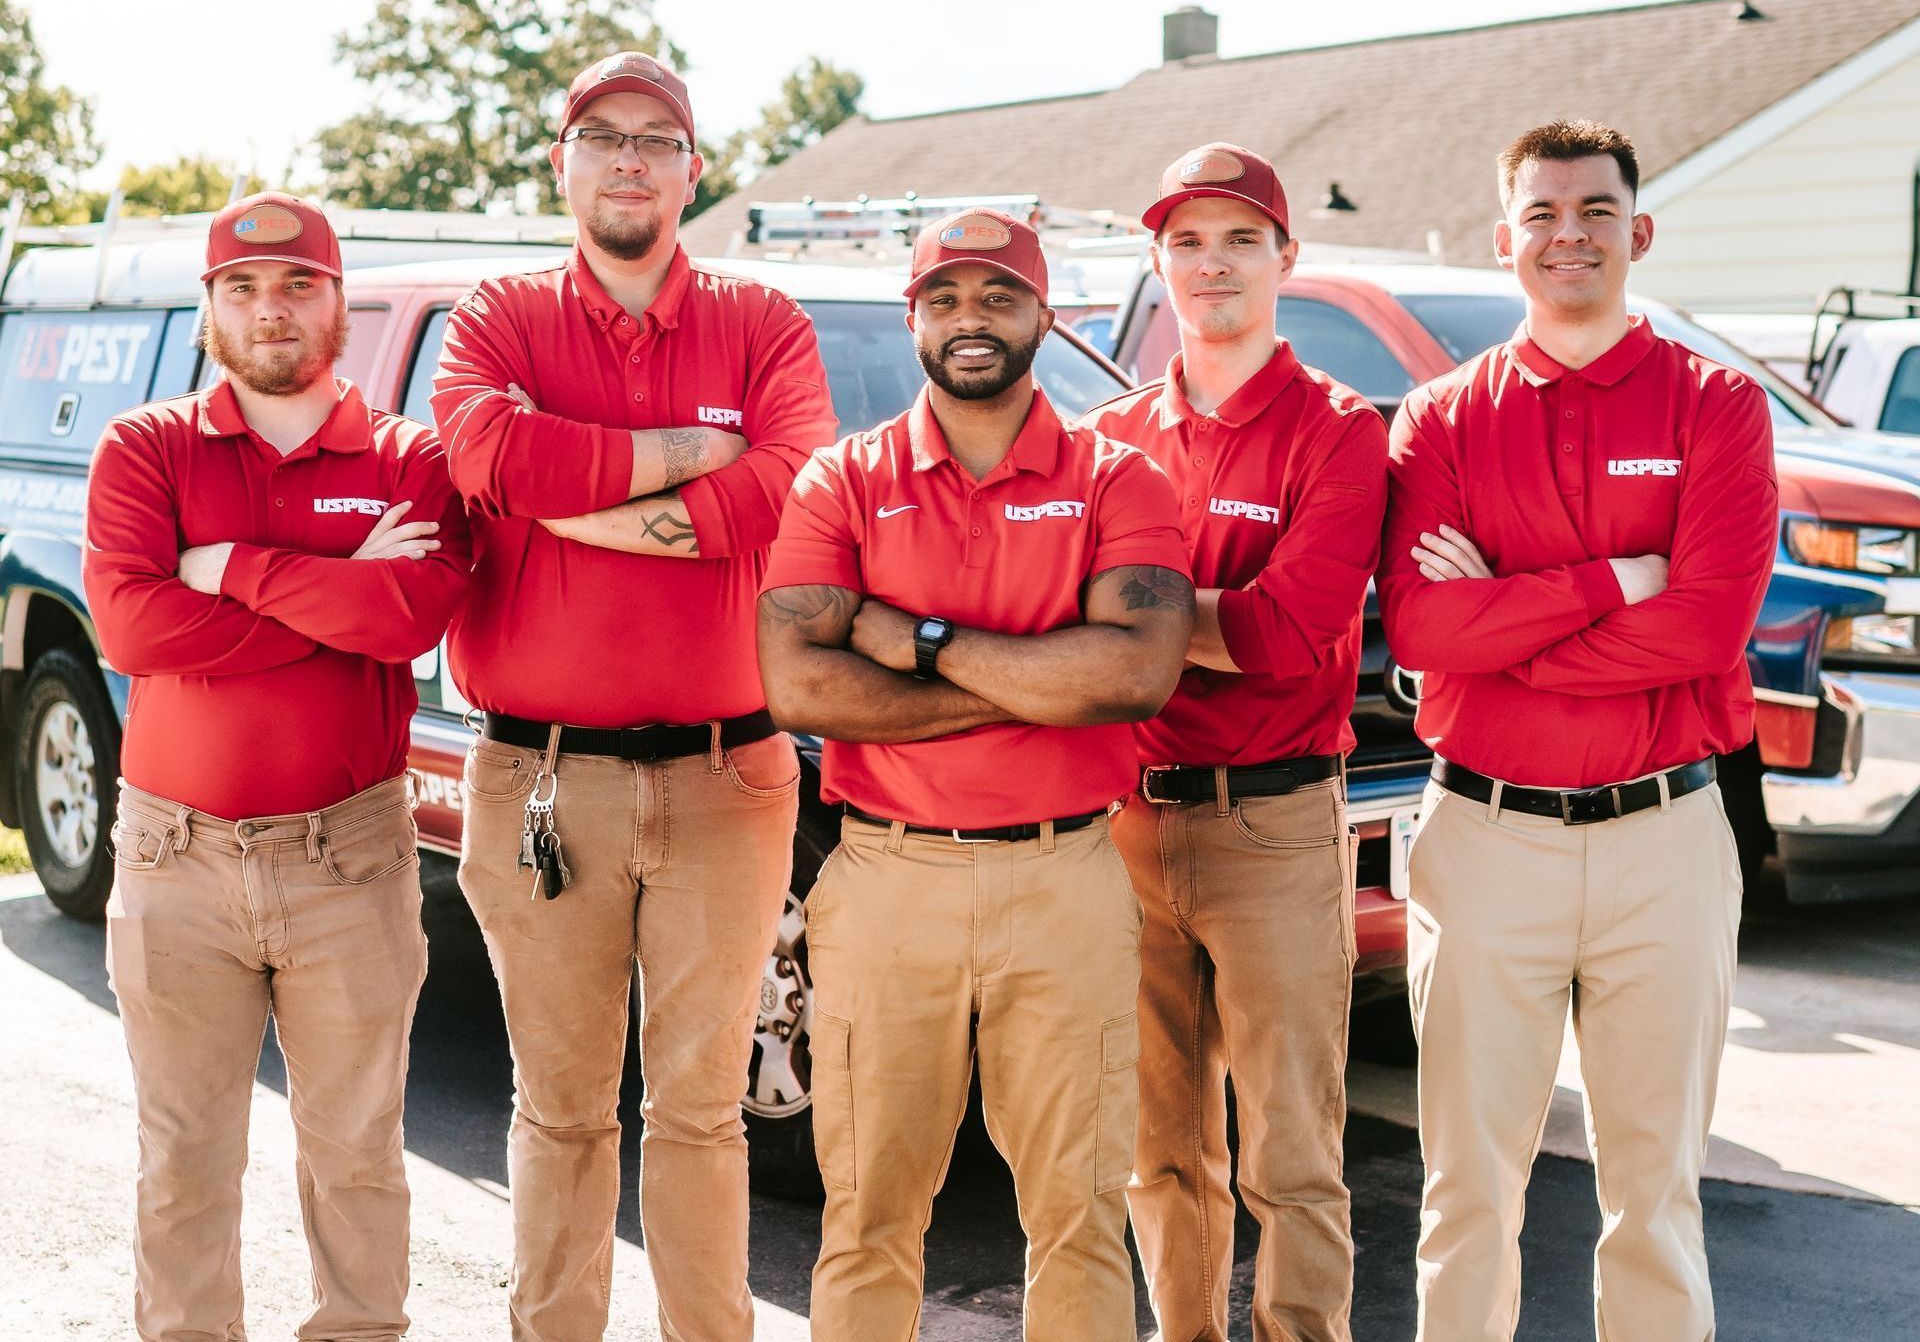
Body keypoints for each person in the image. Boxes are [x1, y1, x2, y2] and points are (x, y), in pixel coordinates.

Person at [429, 49, 837, 1342]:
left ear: (692, 169)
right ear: (564, 160)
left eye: (655, 140)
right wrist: (679, 469)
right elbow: (483, 451)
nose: (627, 158)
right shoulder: (497, 315)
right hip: (541, 778)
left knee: (702, 1107)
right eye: (601, 135)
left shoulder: (764, 323)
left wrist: (568, 501)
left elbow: (784, 488)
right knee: (558, 1106)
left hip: (731, 780)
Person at [756, 208, 1193, 1339]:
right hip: (888, 880)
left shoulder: (1118, 478)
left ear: (1044, 314)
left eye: (998, 297)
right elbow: (800, 687)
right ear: (915, 318)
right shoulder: (841, 482)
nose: (970, 321)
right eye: (944, 299)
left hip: (1068, 881)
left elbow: (1135, 674)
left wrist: (925, 643)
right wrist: (1035, 683)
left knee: (1080, 1212)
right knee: (868, 1213)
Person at [1376, 119, 1777, 1342]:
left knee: (1654, 1196)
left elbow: (1706, 633)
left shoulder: (1717, 405)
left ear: (1637, 231)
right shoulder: (1441, 419)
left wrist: (1508, 625)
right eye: (1543, 214)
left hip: (1666, 836)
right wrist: (1611, 582)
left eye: (1595, 211)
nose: (1569, 235)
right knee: (1468, 1191)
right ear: (1507, 241)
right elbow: (1427, 634)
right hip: (1486, 836)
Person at [83, 190, 471, 1342]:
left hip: (345, 854)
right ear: (210, 305)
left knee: (357, 1155)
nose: (272, 309)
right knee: (185, 1158)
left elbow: (407, 621)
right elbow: (134, 632)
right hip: (175, 854)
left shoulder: (410, 458)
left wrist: (227, 566)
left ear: (339, 297)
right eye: (242, 288)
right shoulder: (145, 448)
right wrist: (336, 588)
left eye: (299, 283)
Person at [1081, 142, 1388, 1342]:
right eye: (1187, 241)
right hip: (1127, 820)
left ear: (1285, 258)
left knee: (1292, 1152)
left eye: (1239, 239)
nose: (1211, 265)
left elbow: (1291, 632)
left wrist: (1133, 623)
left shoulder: (1338, 431)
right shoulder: (1109, 435)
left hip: (1272, 822)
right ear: (1159, 262)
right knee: (1158, 1149)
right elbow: (1068, 610)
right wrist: (1179, 625)